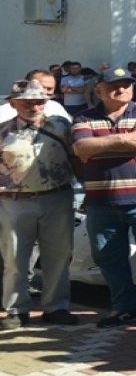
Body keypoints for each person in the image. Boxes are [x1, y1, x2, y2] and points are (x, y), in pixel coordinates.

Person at [71, 67, 136, 328]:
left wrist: (99, 145)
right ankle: (123, 308)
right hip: (101, 203)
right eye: (114, 85)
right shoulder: (83, 116)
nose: (122, 89)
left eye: (126, 84)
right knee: (109, 259)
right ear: (99, 91)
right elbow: (81, 147)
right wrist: (125, 139)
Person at [0, 80, 78, 329]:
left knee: (58, 256)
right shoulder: (2, 132)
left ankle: (56, 307)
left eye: (39, 101)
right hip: (14, 202)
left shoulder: (63, 127)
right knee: (15, 259)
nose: (33, 106)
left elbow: (78, 155)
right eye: (27, 101)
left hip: (57, 198)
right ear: (13, 104)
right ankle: (16, 310)